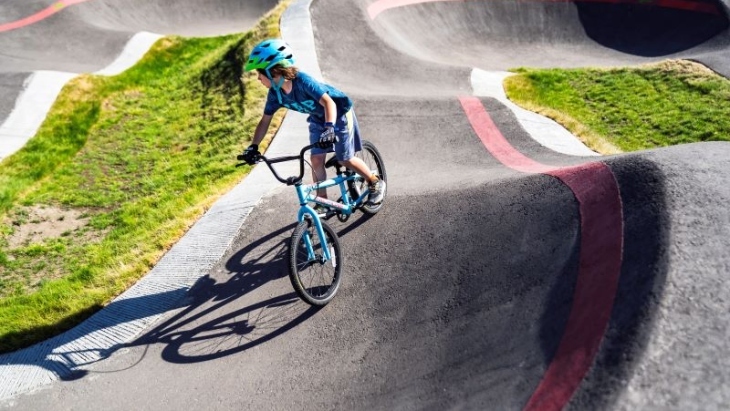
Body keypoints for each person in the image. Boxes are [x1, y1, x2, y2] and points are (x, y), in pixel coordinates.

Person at [240, 38, 385, 207]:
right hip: (317, 118)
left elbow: (329, 103)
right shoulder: (275, 94)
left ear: (273, 72)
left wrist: (330, 128)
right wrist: (254, 146)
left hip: (337, 114)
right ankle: (322, 200)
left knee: (346, 159)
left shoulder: (302, 81)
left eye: (260, 73)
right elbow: (265, 121)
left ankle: (374, 182)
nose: (258, 78)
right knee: (316, 159)